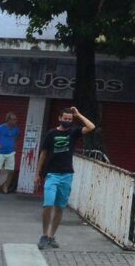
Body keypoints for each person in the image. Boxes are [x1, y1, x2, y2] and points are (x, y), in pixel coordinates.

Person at [35, 106, 94, 250]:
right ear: (59, 118)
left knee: (60, 207)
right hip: (52, 174)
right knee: (48, 204)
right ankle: (43, 235)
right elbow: (43, 153)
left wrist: (78, 114)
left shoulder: (73, 132)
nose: (67, 121)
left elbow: (91, 126)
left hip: (67, 175)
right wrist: (37, 173)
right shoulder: (51, 133)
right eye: (65, 118)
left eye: (70, 119)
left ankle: (51, 236)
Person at [0, 112, 21, 193]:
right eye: (13, 119)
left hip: (11, 152)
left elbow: (18, 136)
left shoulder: (16, 129)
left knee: (11, 171)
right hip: (0, 152)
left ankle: (5, 187)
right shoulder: (1, 128)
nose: (15, 121)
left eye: (16, 119)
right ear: (8, 120)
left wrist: (15, 145)